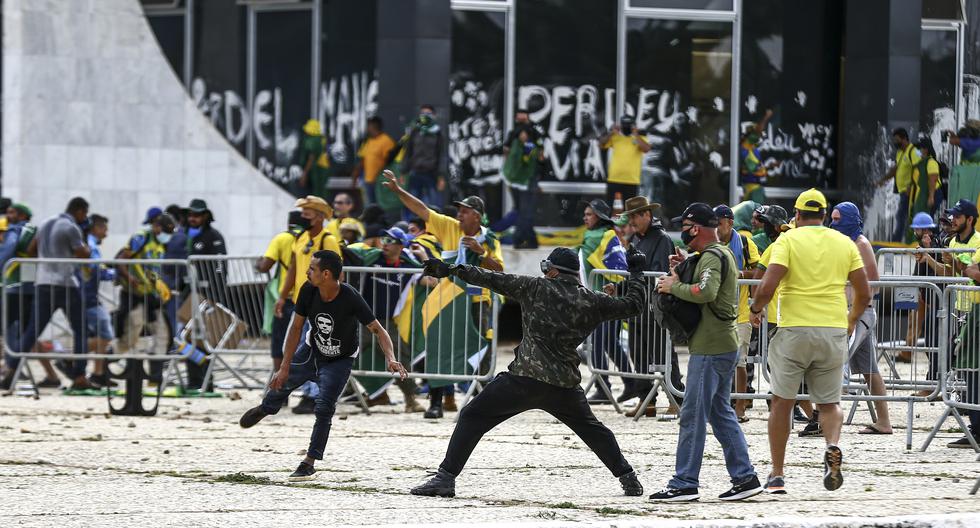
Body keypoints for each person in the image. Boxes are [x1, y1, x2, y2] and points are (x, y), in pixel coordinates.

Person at [409, 246, 648, 498]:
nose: (544, 273)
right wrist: (636, 272)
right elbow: (633, 305)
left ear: (553, 271)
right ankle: (628, 477)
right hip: (564, 385)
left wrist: (451, 269)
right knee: (594, 431)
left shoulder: (535, 287)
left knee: (471, 416)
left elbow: (491, 278)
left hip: (524, 379)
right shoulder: (592, 300)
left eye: (547, 269)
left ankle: (445, 479)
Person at [239, 250, 408, 481]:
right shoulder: (308, 290)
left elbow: (378, 329)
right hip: (311, 351)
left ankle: (309, 462)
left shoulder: (350, 297)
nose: (307, 272)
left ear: (326, 274)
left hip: (340, 360)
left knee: (324, 408)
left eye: (311, 269)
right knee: (279, 385)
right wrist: (284, 366)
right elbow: (296, 328)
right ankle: (266, 408)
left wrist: (390, 357)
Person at [749, 188, 871, 494]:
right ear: (825, 215)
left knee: (782, 402)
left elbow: (767, 285)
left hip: (794, 330)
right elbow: (864, 291)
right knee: (829, 404)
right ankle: (832, 444)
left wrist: (755, 309)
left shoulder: (788, 240)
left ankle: (777, 474)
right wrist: (852, 319)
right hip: (832, 329)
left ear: (798, 214)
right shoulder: (843, 243)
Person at [648, 203, 761, 502]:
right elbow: (705, 283)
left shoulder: (712, 255)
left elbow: (707, 292)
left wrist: (673, 288)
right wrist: (683, 267)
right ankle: (745, 477)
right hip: (719, 344)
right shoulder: (715, 254)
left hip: (711, 349)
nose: (682, 232)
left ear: (695, 228)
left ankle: (684, 482)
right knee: (720, 413)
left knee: (693, 414)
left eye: (684, 226)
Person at [382, 170, 503, 418]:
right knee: (439, 347)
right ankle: (437, 402)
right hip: (447, 300)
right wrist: (397, 191)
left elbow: (499, 269)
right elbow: (422, 210)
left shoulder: (490, 239)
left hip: (477, 301)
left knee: (480, 350)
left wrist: (481, 252)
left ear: (477, 216)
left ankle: (480, 403)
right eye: (459, 211)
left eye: (464, 211)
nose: (458, 215)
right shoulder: (450, 227)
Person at [13, 197, 93, 390]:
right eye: (84, 214)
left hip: (42, 282)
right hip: (65, 284)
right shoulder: (71, 227)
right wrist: (86, 247)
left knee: (32, 331)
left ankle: (11, 370)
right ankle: (80, 375)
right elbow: (83, 254)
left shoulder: (45, 222)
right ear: (80, 211)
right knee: (80, 330)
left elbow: (32, 250)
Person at [613, 196, 683, 416]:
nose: (631, 220)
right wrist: (619, 289)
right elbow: (636, 274)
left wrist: (630, 286)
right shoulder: (636, 239)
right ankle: (647, 401)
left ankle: (677, 398)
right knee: (639, 355)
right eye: (630, 216)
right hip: (637, 307)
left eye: (635, 216)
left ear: (647, 215)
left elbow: (657, 272)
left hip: (655, 308)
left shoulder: (661, 239)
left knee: (663, 353)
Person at [276, 196, 343, 414]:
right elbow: (293, 270)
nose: (302, 217)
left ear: (320, 216)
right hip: (301, 302)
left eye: (307, 213)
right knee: (299, 349)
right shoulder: (301, 238)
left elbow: (337, 274)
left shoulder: (328, 240)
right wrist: (282, 296)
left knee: (314, 351)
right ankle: (304, 392)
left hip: (321, 304)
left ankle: (313, 396)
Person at [830, 202, 892, 435]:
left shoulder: (861, 244)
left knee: (836, 360)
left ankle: (824, 417)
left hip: (860, 313)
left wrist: (853, 310)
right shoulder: (846, 243)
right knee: (870, 371)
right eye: (832, 219)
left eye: (837, 219)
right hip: (853, 311)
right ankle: (884, 421)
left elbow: (873, 282)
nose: (833, 223)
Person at [351, 227, 425, 412]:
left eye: (390, 240)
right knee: (345, 355)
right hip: (363, 319)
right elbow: (351, 254)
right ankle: (376, 393)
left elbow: (431, 279)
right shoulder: (373, 258)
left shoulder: (408, 266)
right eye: (384, 238)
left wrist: (423, 257)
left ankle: (410, 399)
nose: (384, 243)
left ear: (401, 246)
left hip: (386, 322)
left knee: (400, 357)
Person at [577, 199, 631, 403]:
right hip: (613, 298)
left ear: (599, 216)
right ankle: (632, 383)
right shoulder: (609, 235)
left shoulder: (597, 236)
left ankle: (603, 388)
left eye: (589, 214)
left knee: (598, 343)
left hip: (605, 299)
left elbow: (579, 258)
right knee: (609, 343)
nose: (585, 217)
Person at [0, 203, 55, 389]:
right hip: (32, 285)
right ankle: (51, 375)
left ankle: (11, 370)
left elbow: (7, 250)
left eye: (11, 212)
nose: (8, 215)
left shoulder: (16, 229)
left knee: (9, 330)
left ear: (22, 215)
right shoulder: (36, 230)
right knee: (28, 335)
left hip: (15, 285)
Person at [713, 204, 760, 422]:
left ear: (729, 223)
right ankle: (719, 403)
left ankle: (740, 405)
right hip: (715, 312)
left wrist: (739, 273)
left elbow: (759, 271)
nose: (716, 228)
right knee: (715, 359)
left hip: (740, 311)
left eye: (719, 223)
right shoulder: (709, 243)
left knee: (740, 361)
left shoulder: (743, 242)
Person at [113, 213, 176, 354]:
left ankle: (156, 373)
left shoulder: (162, 245)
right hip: (133, 293)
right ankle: (108, 357)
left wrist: (160, 286)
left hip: (150, 296)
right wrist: (130, 278)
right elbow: (121, 261)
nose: (167, 236)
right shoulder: (141, 237)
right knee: (131, 335)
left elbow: (153, 269)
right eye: (166, 232)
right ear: (156, 227)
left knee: (163, 335)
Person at [257, 210, 307, 373]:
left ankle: (280, 382)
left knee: (280, 342)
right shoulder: (308, 239)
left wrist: (258, 263)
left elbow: (265, 266)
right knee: (303, 342)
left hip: (287, 298)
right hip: (307, 297)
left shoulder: (282, 238)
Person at [79, 214, 116, 388]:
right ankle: (70, 357)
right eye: (104, 229)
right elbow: (96, 269)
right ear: (95, 228)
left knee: (99, 334)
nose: (106, 233)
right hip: (87, 296)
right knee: (106, 334)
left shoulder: (89, 243)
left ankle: (98, 373)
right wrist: (117, 274)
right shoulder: (91, 244)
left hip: (87, 295)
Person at [501, 110, 544, 249]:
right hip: (516, 180)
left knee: (525, 211)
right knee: (523, 210)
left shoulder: (533, 140)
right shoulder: (514, 139)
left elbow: (539, 158)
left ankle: (521, 239)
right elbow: (507, 156)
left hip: (528, 180)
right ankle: (529, 240)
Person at [877, 128, 921, 242]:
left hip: (911, 192)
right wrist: (883, 179)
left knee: (902, 216)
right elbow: (895, 169)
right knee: (902, 216)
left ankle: (898, 240)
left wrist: (911, 185)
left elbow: (919, 169)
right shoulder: (900, 152)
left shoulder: (914, 151)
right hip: (903, 191)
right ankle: (903, 239)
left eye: (897, 140)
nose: (895, 142)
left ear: (905, 139)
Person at [401, 104, 445, 208]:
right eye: (423, 113)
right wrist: (403, 172)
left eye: (428, 113)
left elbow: (441, 155)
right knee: (412, 203)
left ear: (434, 115)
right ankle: (412, 223)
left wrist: (441, 176)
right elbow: (408, 151)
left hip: (431, 173)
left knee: (434, 204)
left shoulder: (437, 133)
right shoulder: (415, 131)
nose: (425, 116)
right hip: (415, 172)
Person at [600, 116, 651, 205]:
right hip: (614, 178)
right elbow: (601, 143)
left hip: (631, 180)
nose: (626, 127)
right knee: (607, 208)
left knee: (629, 211)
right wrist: (611, 132)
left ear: (633, 125)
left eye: (629, 125)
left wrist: (635, 134)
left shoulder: (640, 138)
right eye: (625, 125)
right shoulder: (615, 137)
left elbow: (646, 149)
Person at [352, 116, 397, 206]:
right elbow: (362, 159)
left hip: (380, 181)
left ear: (374, 126)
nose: (367, 128)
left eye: (368, 126)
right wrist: (355, 174)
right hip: (367, 180)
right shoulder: (369, 141)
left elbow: (390, 162)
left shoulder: (386, 141)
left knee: (380, 205)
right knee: (368, 205)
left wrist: (382, 176)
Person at [739, 109, 775, 203]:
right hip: (750, 188)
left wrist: (770, 167)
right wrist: (766, 117)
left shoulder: (754, 149)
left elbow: (757, 169)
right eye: (756, 134)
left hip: (757, 186)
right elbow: (752, 169)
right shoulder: (744, 149)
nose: (759, 136)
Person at [909, 139, 944, 225]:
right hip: (925, 193)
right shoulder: (921, 162)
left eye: (919, 149)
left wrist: (931, 197)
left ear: (925, 150)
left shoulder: (931, 162)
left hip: (933, 193)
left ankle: (933, 237)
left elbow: (933, 179)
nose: (917, 151)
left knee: (927, 218)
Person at [298, 119, 331, 201]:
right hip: (322, 168)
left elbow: (311, 158)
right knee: (320, 193)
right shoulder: (321, 139)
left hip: (317, 170)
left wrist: (304, 174)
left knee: (316, 194)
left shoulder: (313, 140)